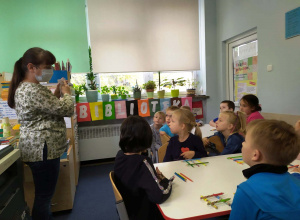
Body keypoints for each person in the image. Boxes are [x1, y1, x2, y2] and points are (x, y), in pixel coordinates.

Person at [7, 47, 74, 220]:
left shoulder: (28, 87)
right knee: (44, 198)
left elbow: (46, 108)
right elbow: (66, 109)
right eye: (47, 67)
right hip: (43, 149)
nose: (50, 71)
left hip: (39, 148)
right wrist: (67, 94)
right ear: (31, 67)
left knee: (43, 195)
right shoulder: (32, 89)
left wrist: (58, 92)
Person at [229, 119, 300, 220]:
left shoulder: (246, 192)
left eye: (245, 141)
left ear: (255, 155)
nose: (242, 144)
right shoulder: (297, 181)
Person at [114, 115, 173, 220]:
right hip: (144, 213)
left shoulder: (120, 155)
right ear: (146, 138)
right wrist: (166, 181)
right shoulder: (143, 163)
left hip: (130, 209)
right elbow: (159, 196)